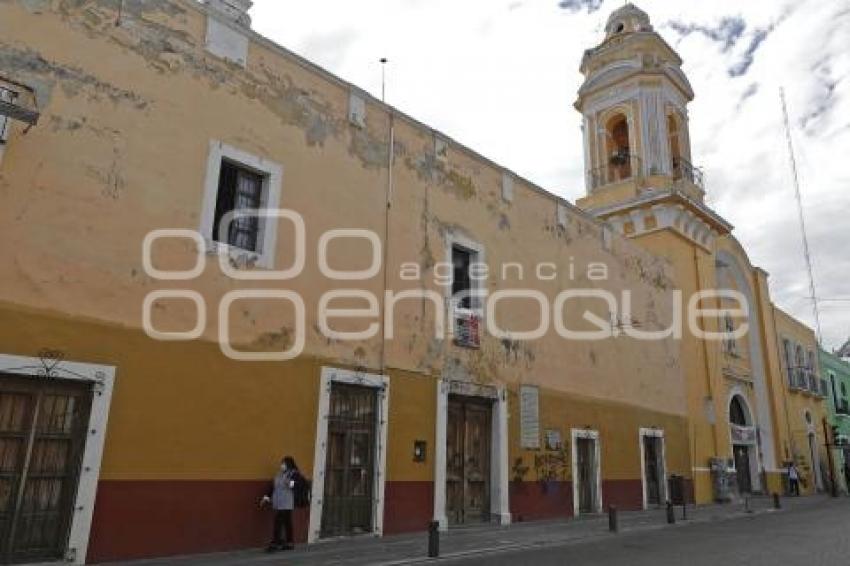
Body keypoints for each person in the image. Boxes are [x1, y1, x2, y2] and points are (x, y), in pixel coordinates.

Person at [261, 456, 299, 552]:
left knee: (278, 522)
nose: (282, 465)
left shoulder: (293, 474)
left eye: (284, 463)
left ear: (289, 464)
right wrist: (266, 497)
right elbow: (272, 487)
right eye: (282, 463)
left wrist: (288, 481)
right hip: (278, 501)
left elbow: (294, 486)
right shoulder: (278, 474)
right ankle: (289, 542)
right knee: (287, 522)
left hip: (286, 503)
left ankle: (275, 543)